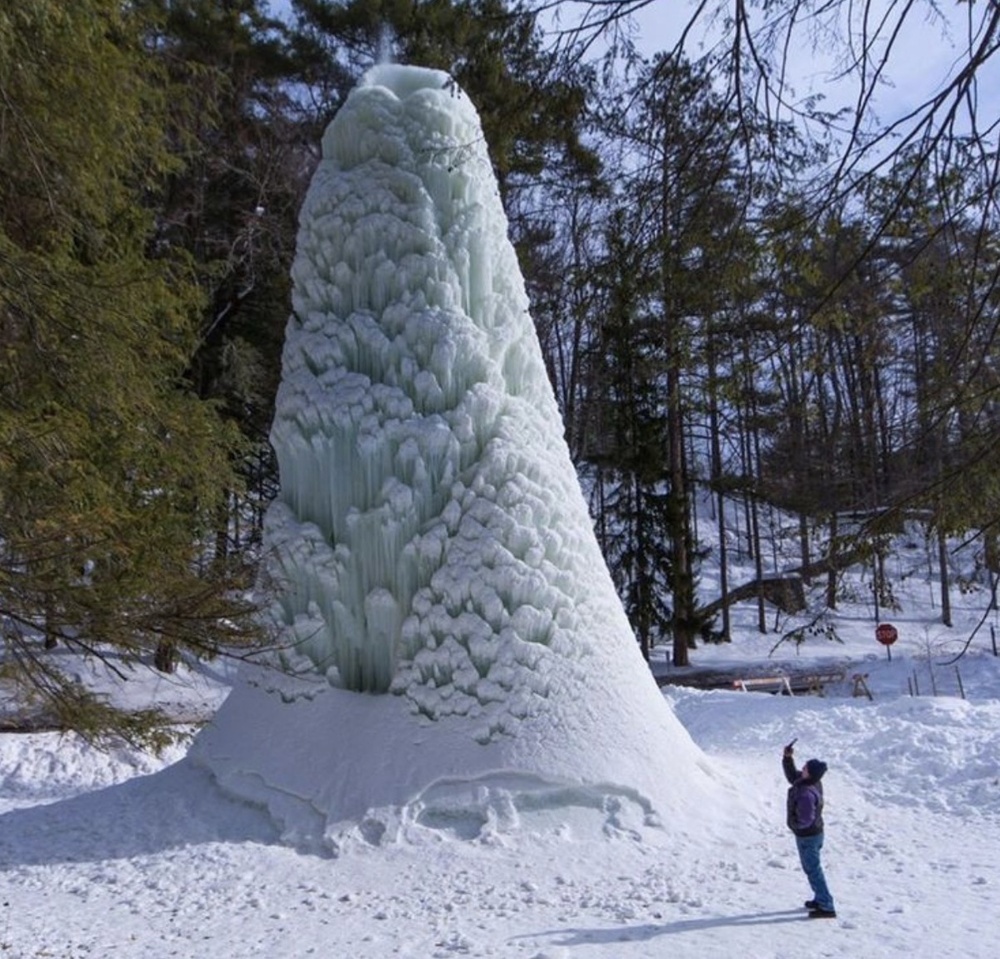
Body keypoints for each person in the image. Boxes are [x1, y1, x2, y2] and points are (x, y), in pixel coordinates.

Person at [783, 741, 836, 919]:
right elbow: (793, 777)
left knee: (813, 870)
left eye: (805, 767)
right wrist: (788, 758)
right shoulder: (812, 782)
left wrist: (795, 826)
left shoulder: (806, 793)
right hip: (815, 834)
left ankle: (826, 906)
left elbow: (806, 819)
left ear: (810, 773)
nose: (802, 768)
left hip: (808, 837)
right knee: (812, 869)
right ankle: (819, 898)